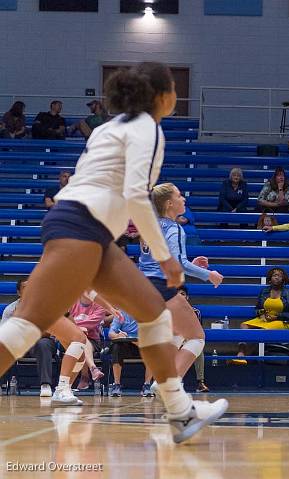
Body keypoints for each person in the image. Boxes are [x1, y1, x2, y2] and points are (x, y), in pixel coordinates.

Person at [0, 62, 227, 443]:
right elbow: (138, 194)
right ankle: (180, 410)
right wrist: (166, 257)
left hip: (92, 232)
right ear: (161, 96)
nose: (175, 95)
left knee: (153, 314)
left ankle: (180, 412)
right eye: (172, 88)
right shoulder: (148, 129)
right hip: (80, 226)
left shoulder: (109, 128)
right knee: (26, 325)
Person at [139, 182, 224, 388]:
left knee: (178, 334)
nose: (183, 198)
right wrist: (208, 274)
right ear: (169, 203)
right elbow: (177, 264)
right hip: (160, 287)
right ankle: (168, 384)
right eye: (179, 195)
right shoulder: (174, 228)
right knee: (197, 337)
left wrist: (190, 265)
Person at [1, 281, 89, 404]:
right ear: (19, 292)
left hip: (43, 341)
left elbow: (66, 318)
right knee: (78, 341)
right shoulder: (15, 308)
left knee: (79, 353)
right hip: (21, 342)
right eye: (25, 287)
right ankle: (62, 388)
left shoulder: (53, 302)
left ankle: (60, 388)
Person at [1, 281, 56, 397]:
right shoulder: (10, 309)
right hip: (19, 344)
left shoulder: (44, 308)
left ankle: (45, 385)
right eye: (25, 288)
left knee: (44, 343)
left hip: (39, 343)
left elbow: (48, 333)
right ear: (18, 292)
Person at [232, 268, 289, 363]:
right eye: (274, 275)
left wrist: (277, 316)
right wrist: (261, 313)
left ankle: (243, 357)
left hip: (282, 321)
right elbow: (257, 308)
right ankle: (241, 353)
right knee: (244, 325)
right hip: (265, 319)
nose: (277, 277)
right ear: (270, 278)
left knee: (261, 331)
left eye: (279, 276)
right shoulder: (264, 291)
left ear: (283, 279)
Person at [108, 311, 154, 397]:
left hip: (143, 343)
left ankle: (147, 385)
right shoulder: (121, 314)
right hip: (126, 344)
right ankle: (116, 385)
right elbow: (111, 333)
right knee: (116, 347)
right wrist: (117, 335)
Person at [68, 292, 108, 390]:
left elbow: (90, 324)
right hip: (68, 338)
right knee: (80, 338)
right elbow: (64, 321)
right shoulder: (71, 303)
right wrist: (74, 328)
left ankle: (84, 377)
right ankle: (92, 369)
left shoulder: (100, 307)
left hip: (92, 340)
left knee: (81, 339)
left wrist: (73, 325)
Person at [177, 286, 209, 393]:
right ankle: (174, 382)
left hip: (189, 340)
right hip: (174, 340)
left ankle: (201, 383)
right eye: (178, 294)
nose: (180, 296)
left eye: (182, 294)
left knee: (199, 350)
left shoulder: (196, 312)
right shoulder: (170, 311)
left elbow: (197, 333)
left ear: (187, 297)